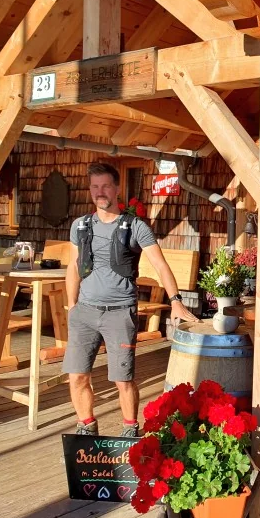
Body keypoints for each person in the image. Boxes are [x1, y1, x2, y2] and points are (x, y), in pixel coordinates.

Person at [63, 162, 198, 437]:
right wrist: (72, 306)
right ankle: (86, 427)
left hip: (119, 312)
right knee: (76, 376)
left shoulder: (135, 227)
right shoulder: (80, 225)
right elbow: (74, 266)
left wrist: (175, 300)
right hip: (84, 312)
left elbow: (160, 265)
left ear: (117, 189)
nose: (100, 192)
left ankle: (129, 430)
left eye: (106, 186)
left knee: (122, 379)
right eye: (95, 186)